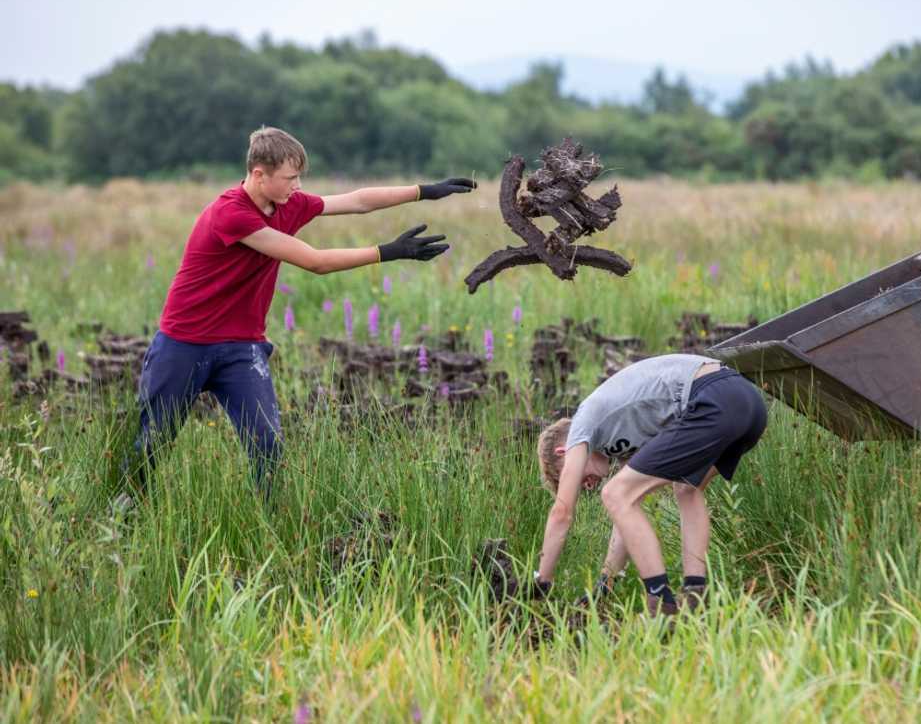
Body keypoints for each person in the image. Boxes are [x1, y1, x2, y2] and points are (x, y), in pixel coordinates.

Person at [118, 126, 475, 507]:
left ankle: (266, 520)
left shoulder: (289, 204)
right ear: (259, 174)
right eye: (290, 178)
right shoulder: (231, 214)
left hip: (242, 348)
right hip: (184, 345)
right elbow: (315, 262)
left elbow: (356, 200)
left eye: (299, 177)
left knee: (267, 445)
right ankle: (122, 514)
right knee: (153, 442)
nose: (297, 185)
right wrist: (388, 251)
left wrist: (424, 191)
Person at [533, 354, 768, 616]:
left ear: (563, 452)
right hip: (749, 405)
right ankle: (695, 598)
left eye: (573, 478)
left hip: (715, 396)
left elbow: (561, 513)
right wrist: (605, 583)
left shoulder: (581, 425)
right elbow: (626, 517)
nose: (586, 486)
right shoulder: (619, 438)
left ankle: (661, 603)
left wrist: (541, 580)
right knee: (686, 488)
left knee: (615, 493)